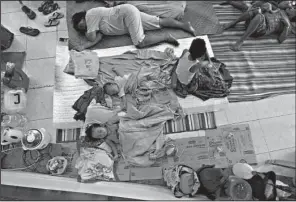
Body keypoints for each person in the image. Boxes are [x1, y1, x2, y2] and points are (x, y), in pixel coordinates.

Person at [72, 4, 196, 50]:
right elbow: (97, 38)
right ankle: (184, 25)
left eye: (82, 25)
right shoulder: (96, 25)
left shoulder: (90, 15)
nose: (84, 28)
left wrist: (87, 34)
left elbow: (92, 37)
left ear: (82, 17)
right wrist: (83, 47)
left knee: (139, 42)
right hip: (129, 16)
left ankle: (165, 37)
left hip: (126, 14)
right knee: (159, 22)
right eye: (82, 29)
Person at [223, 3, 296, 51]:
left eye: (294, 9)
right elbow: (280, 5)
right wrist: (268, 8)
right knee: (257, 10)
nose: (292, 8)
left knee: (260, 16)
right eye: (293, 7)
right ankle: (233, 23)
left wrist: (287, 26)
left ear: (293, 16)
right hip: (252, 22)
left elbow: (281, 40)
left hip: (260, 30)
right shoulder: (280, 10)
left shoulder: (289, 25)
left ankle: (240, 42)